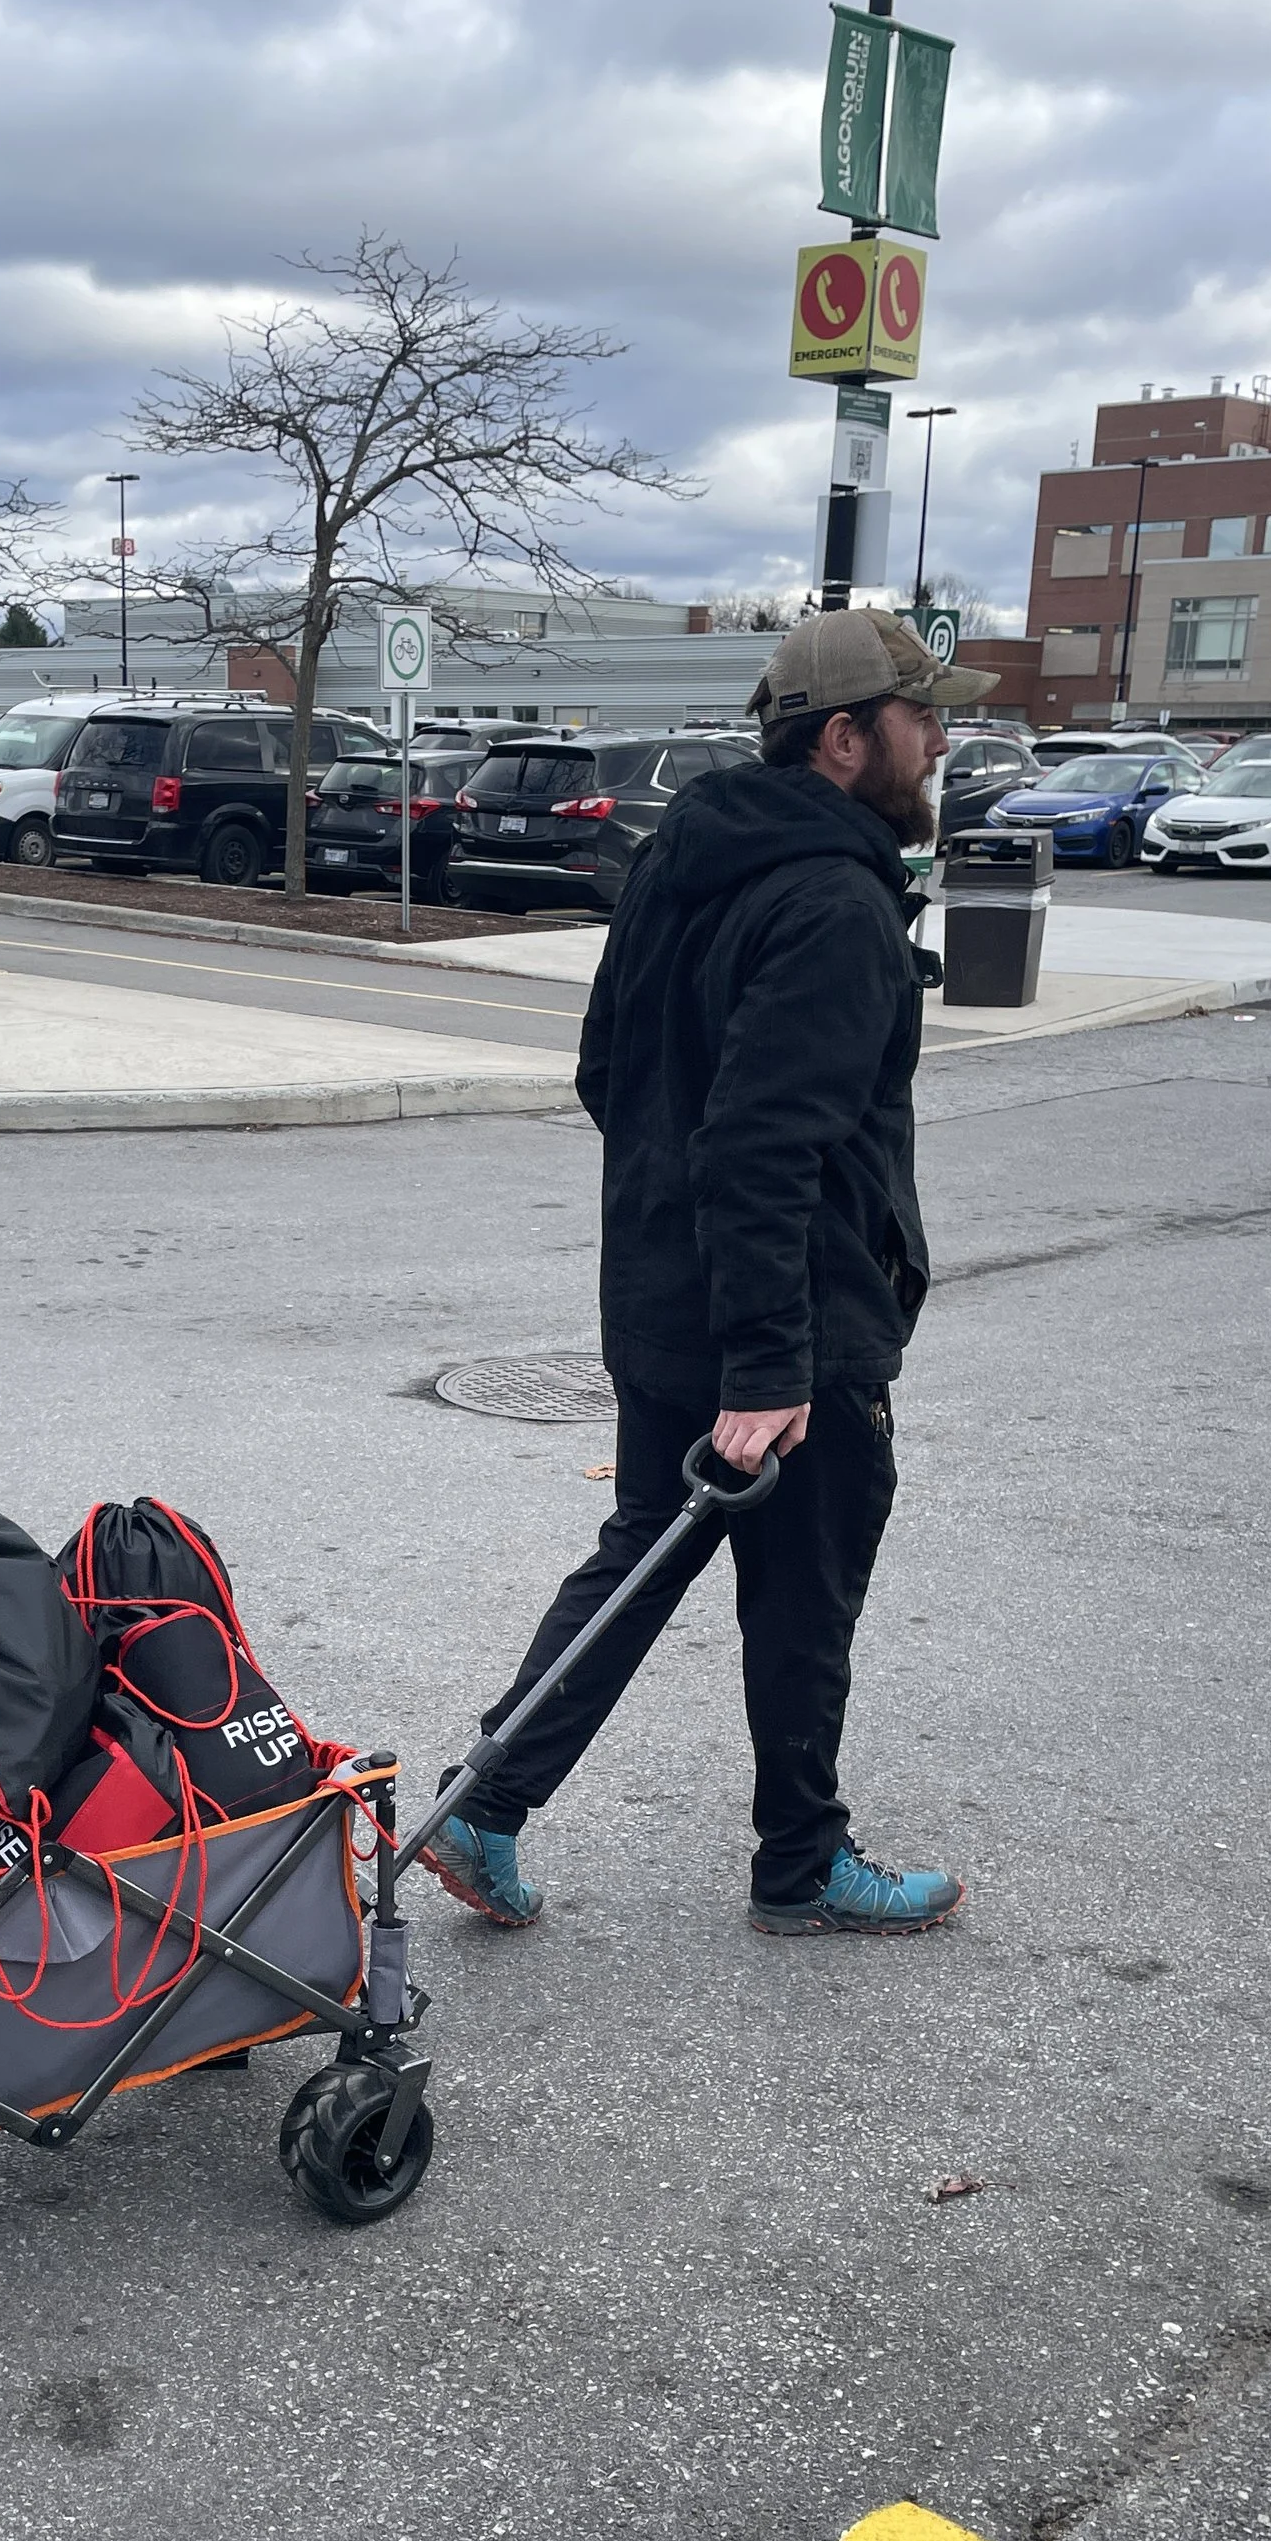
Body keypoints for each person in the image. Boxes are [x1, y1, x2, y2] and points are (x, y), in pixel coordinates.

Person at [422, 607, 994, 1938]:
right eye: (923, 719)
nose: (942, 741)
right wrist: (771, 1362)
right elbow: (762, 1142)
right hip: (791, 1329)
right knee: (801, 1599)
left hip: (668, 1308)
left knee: (644, 1552)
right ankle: (802, 1862)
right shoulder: (837, 904)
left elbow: (607, 1077)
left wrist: (684, 1267)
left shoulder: (682, 866)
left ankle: (488, 1809)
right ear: (846, 740)